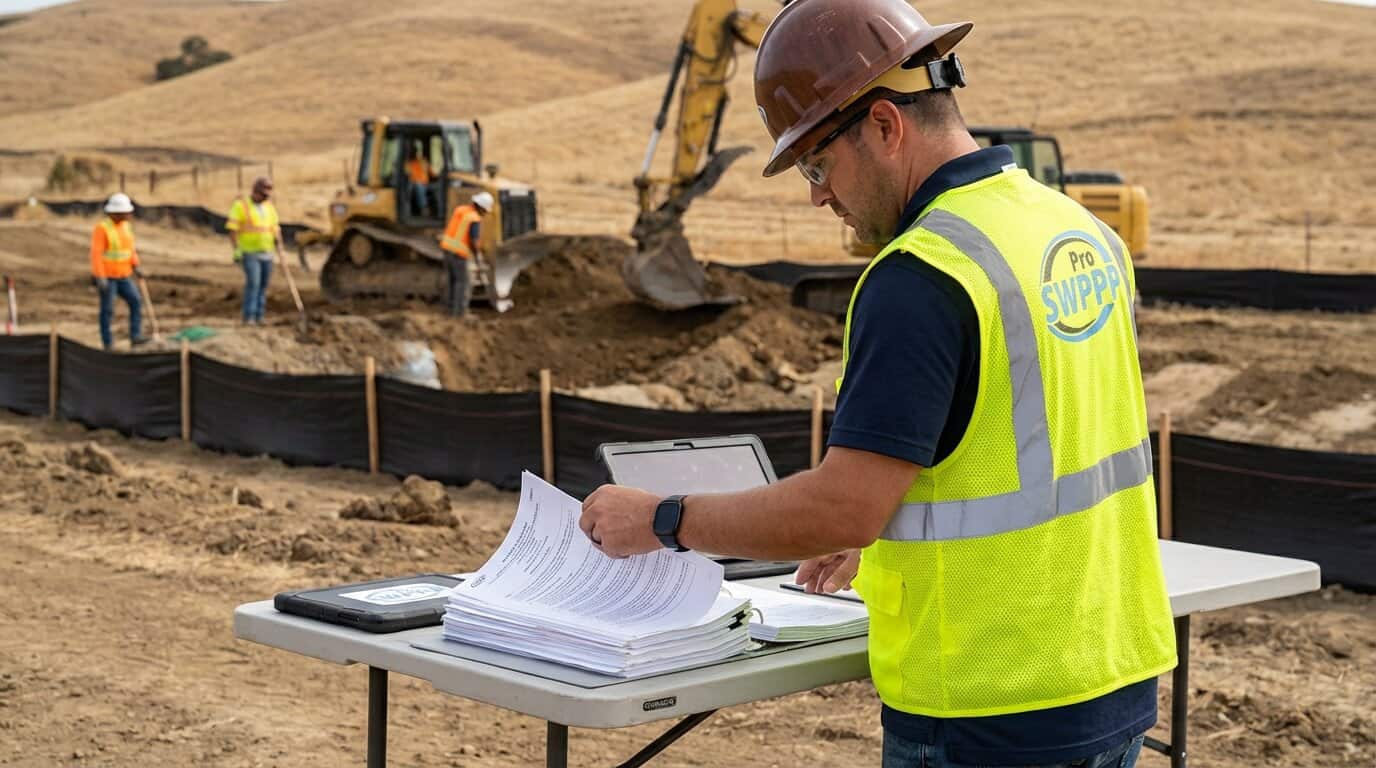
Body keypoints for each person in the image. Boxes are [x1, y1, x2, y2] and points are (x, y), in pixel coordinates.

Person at [578, 2, 1177, 767]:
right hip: (1110, 674)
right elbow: (1027, 431)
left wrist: (662, 518)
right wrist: (895, 534)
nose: (817, 196)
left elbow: (843, 506)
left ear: (886, 126)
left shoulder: (921, 276)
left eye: (818, 165)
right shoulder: (1078, 231)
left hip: (986, 704)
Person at [89, 192, 148, 351]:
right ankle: (107, 343)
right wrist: (100, 276)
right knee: (107, 310)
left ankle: (135, 335)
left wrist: (136, 266)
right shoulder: (102, 228)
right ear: (116, 213)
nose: (129, 215)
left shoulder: (126, 227)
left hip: (124, 275)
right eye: (126, 212)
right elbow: (97, 254)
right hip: (108, 277)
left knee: (135, 301)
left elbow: (130, 249)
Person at [226, 177, 285, 326]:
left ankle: (259, 316)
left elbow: (275, 229)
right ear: (255, 191)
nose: (265, 198)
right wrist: (236, 250)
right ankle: (249, 316)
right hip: (249, 253)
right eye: (263, 194)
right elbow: (232, 229)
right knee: (254, 283)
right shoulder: (241, 206)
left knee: (263, 285)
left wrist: (280, 250)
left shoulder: (269, 207)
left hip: (267, 253)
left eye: (267, 195)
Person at [439, 191, 491, 317]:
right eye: (485, 210)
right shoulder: (474, 218)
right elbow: (474, 240)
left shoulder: (461, 210)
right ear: (481, 207)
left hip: (447, 249)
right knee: (464, 283)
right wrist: (478, 256)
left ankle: (450, 310)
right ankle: (461, 314)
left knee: (453, 281)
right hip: (458, 253)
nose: (485, 214)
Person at [405, 144, 433, 217]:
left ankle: (424, 208)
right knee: (409, 187)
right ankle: (406, 208)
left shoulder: (423, 161)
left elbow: (432, 173)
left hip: (424, 184)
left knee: (419, 186)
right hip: (412, 183)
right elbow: (406, 174)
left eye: (414, 151)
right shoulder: (407, 163)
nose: (412, 153)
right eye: (410, 151)